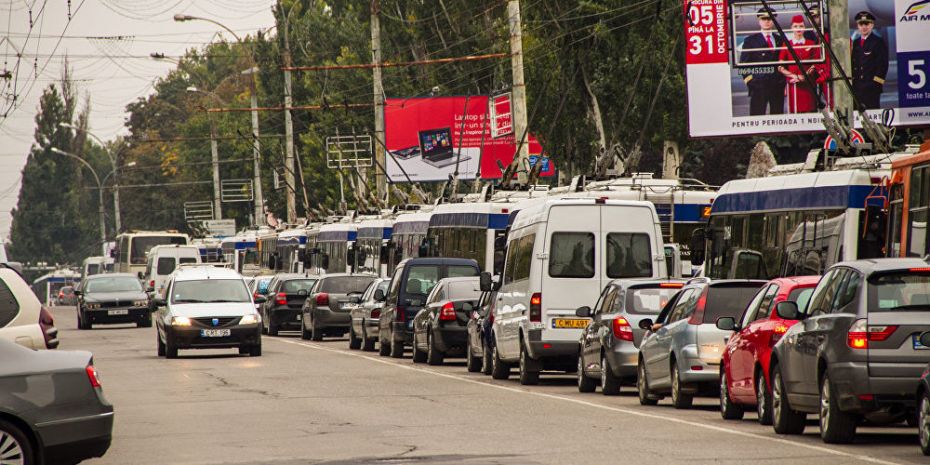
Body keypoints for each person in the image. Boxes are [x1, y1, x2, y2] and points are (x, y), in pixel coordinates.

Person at [739, 8, 786, 115]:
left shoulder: (780, 40)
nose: (767, 21)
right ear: (759, 21)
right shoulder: (750, 41)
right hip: (759, 86)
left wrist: (783, 81)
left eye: (769, 19)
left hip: (777, 86)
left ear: (773, 20)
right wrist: (751, 82)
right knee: (757, 117)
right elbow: (743, 65)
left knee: (778, 119)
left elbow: (785, 62)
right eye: (763, 19)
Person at [777, 15, 821, 113]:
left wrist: (804, 76)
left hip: (809, 84)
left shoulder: (811, 43)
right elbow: (780, 66)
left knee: (810, 110)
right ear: (792, 28)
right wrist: (794, 76)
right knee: (794, 112)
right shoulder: (787, 44)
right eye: (796, 26)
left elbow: (816, 63)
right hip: (793, 84)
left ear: (804, 28)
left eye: (801, 26)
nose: (798, 29)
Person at [851, 11, 888, 109]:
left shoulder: (878, 42)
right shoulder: (855, 43)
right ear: (858, 26)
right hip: (857, 88)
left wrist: (876, 84)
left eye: (866, 24)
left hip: (871, 88)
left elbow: (882, 66)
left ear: (872, 25)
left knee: (872, 116)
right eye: (861, 24)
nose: (864, 27)